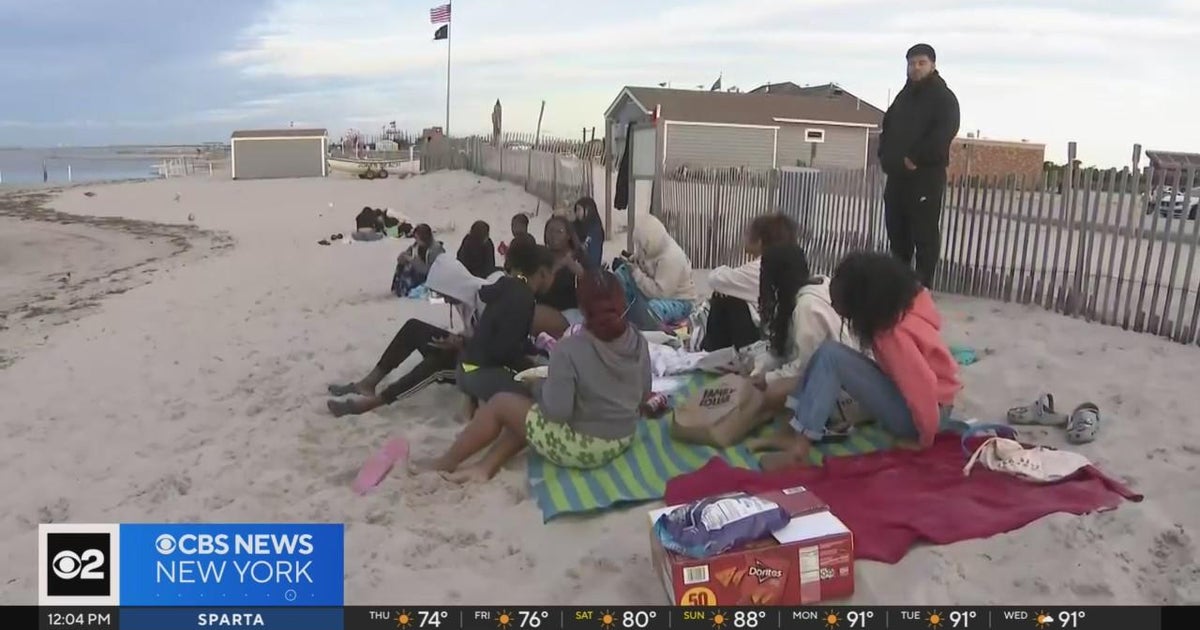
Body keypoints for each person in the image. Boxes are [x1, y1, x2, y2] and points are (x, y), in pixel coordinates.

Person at [412, 270, 652, 482]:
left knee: (501, 404)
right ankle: (485, 467)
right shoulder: (636, 339)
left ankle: (445, 462)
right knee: (525, 415)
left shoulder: (569, 349)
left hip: (587, 447)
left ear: (582, 308)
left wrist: (538, 386)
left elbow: (557, 413)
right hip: (623, 436)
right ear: (620, 302)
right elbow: (644, 393)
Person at [751, 252, 962, 469]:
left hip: (927, 417)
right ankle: (792, 431)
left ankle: (798, 452)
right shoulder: (898, 308)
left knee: (832, 358)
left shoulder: (893, 334)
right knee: (827, 354)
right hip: (923, 407)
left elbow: (923, 387)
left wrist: (924, 442)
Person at [326, 256, 501, 417]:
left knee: (437, 362)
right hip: (472, 349)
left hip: (486, 369)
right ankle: (368, 383)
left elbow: (497, 348)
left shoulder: (485, 300)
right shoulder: (463, 297)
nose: (443, 299)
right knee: (414, 328)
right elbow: (474, 332)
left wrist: (462, 343)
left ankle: (369, 404)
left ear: (453, 286)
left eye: (444, 294)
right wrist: (459, 340)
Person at [745, 243, 863, 416]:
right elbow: (788, 352)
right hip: (839, 376)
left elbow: (804, 368)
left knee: (770, 395)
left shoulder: (807, 307)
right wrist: (761, 368)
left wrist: (767, 379)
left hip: (844, 390)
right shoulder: (817, 287)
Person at [878, 43, 960, 288]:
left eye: (921, 63)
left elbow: (944, 133)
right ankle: (900, 285)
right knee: (897, 233)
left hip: (925, 177)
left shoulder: (943, 98)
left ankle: (922, 287)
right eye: (911, 63)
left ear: (932, 65)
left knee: (924, 234)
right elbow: (887, 129)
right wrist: (886, 157)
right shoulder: (902, 98)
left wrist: (915, 158)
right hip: (897, 177)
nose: (915, 68)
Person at [454, 242, 557, 407]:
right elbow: (504, 351)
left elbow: (510, 338)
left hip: (465, 368)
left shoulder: (508, 287)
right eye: (553, 273)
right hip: (479, 374)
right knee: (541, 393)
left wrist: (537, 353)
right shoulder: (522, 297)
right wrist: (531, 367)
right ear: (543, 272)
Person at [694, 214, 799, 351]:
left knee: (725, 298)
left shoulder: (760, 267)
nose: (744, 238)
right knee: (730, 292)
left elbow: (716, 279)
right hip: (783, 335)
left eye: (747, 233)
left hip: (769, 340)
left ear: (759, 242)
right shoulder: (790, 265)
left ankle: (710, 351)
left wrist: (726, 282)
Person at [615, 214, 697, 330]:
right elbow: (644, 260)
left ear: (650, 242)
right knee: (622, 273)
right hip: (651, 293)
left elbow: (660, 293)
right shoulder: (652, 249)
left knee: (652, 310)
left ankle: (650, 329)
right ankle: (619, 312)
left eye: (641, 245)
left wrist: (637, 273)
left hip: (678, 301)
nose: (639, 248)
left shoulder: (671, 258)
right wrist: (633, 261)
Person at [535, 215, 586, 337]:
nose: (553, 235)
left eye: (559, 232)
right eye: (550, 231)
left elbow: (594, 286)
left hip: (571, 316)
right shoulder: (540, 257)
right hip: (543, 310)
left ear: (568, 235)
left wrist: (579, 272)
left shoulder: (579, 257)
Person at [391, 224, 445, 297]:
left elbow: (431, 271)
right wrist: (402, 258)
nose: (416, 240)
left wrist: (412, 260)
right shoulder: (416, 246)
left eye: (417, 238)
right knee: (403, 266)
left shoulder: (435, 250)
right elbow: (406, 255)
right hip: (419, 274)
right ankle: (398, 289)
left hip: (430, 278)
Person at [571, 196, 606, 269]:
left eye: (579, 210)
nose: (577, 213)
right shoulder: (575, 226)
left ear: (587, 210)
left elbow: (593, 258)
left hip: (589, 270)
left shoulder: (595, 230)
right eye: (576, 210)